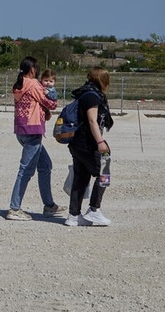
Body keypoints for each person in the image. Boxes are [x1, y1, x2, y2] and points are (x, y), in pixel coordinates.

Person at [6, 56, 66, 221]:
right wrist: (51, 100)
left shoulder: (18, 85)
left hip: (21, 130)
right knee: (25, 170)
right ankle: (14, 208)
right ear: (32, 69)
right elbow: (51, 103)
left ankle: (49, 205)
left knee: (45, 165)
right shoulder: (32, 84)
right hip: (32, 131)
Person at [65, 67, 115, 227]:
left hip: (76, 144)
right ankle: (94, 209)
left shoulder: (83, 93)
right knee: (104, 174)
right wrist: (100, 142)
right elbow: (92, 121)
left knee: (80, 178)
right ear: (103, 80)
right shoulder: (93, 97)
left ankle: (73, 215)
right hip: (89, 143)